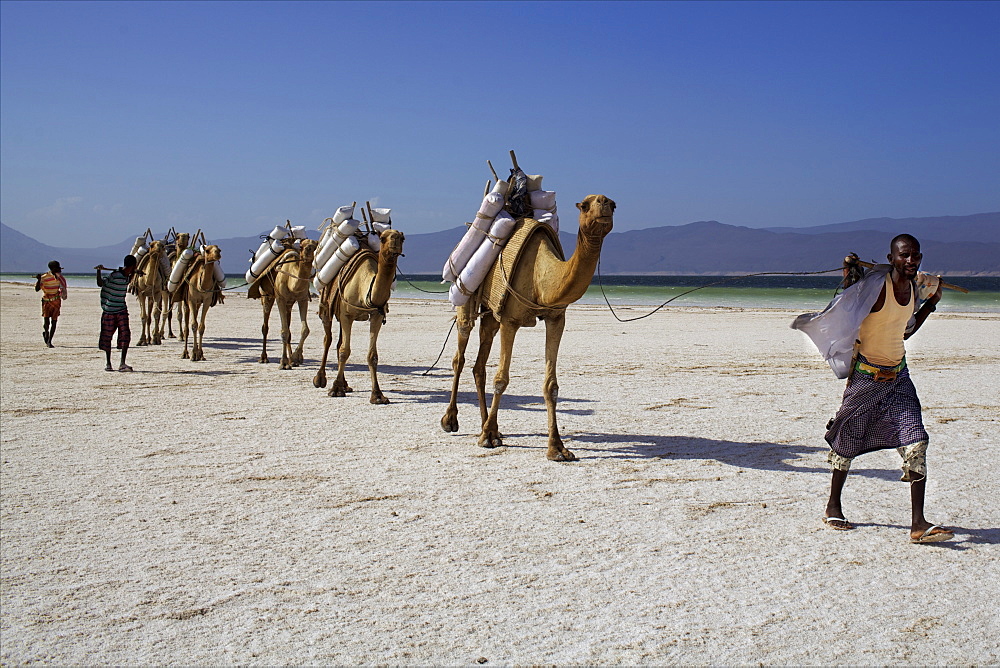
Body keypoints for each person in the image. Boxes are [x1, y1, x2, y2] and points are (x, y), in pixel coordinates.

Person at [792, 234, 952, 544]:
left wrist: (931, 303)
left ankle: (918, 524)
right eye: (904, 256)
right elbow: (850, 304)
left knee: (916, 443)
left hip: (898, 377)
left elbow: (904, 331)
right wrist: (852, 275)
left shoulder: (913, 292)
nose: (911, 261)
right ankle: (833, 506)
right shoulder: (876, 289)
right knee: (847, 441)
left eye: (915, 256)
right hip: (866, 377)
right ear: (891, 258)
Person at [96, 255, 137, 372]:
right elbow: (100, 284)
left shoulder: (126, 277)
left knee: (125, 335)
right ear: (133, 265)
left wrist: (134, 272)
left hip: (121, 310)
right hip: (109, 311)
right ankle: (108, 363)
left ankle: (122, 363)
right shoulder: (114, 275)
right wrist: (99, 271)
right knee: (107, 336)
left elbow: (129, 280)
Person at [34, 260, 68, 347]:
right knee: (46, 322)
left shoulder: (60, 278)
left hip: (56, 300)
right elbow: (37, 289)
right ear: (52, 269)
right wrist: (38, 280)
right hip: (46, 301)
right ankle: (46, 333)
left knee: (54, 321)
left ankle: (49, 341)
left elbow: (63, 287)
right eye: (57, 269)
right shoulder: (44, 277)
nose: (59, 271)